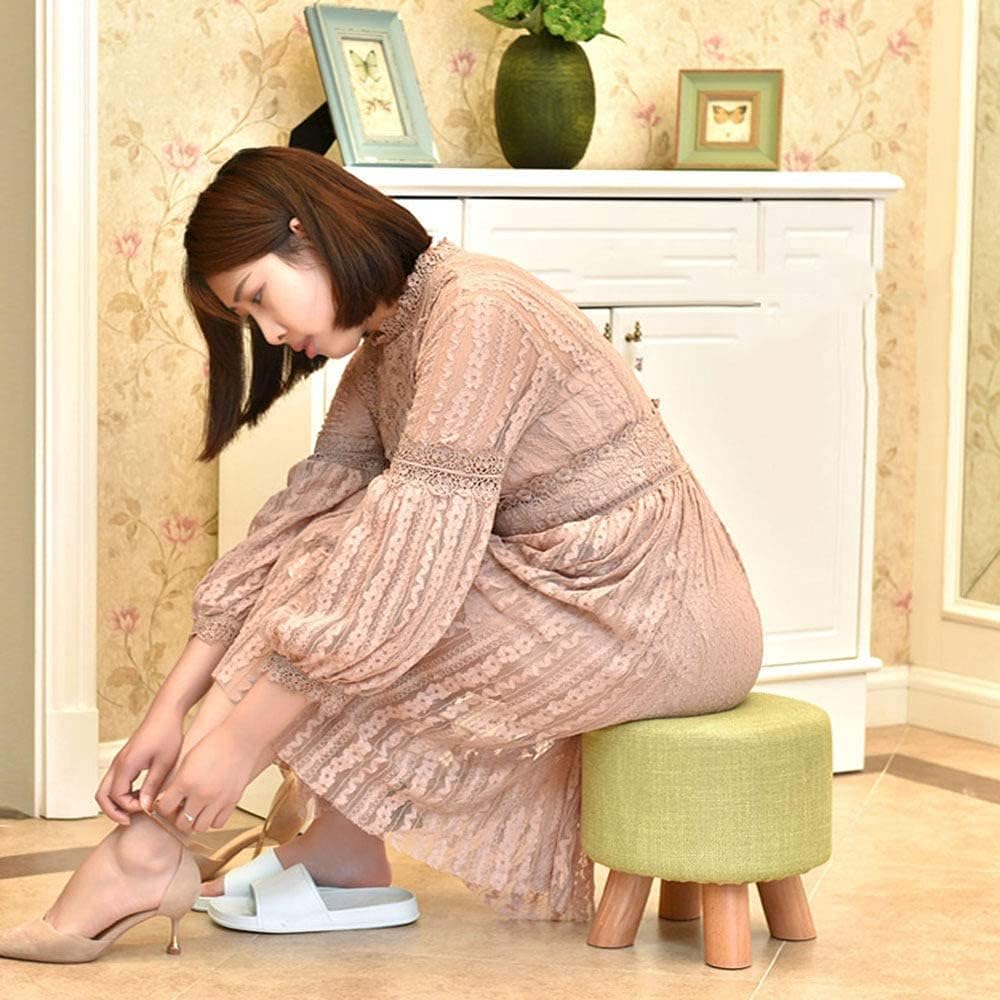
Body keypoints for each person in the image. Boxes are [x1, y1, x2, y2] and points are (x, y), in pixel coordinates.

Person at [0, 146, 764, 963]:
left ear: (306, 232)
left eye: (259, 297)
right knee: (331, 539)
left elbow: (403, 574)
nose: (271, 333)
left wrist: (237, 742)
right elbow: (296, 529)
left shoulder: (479, 311)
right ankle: (340, 852)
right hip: (574, 592)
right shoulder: (390, 341)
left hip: (658, 610)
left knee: (373, 575)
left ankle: (146, 854)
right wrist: (169, 711)